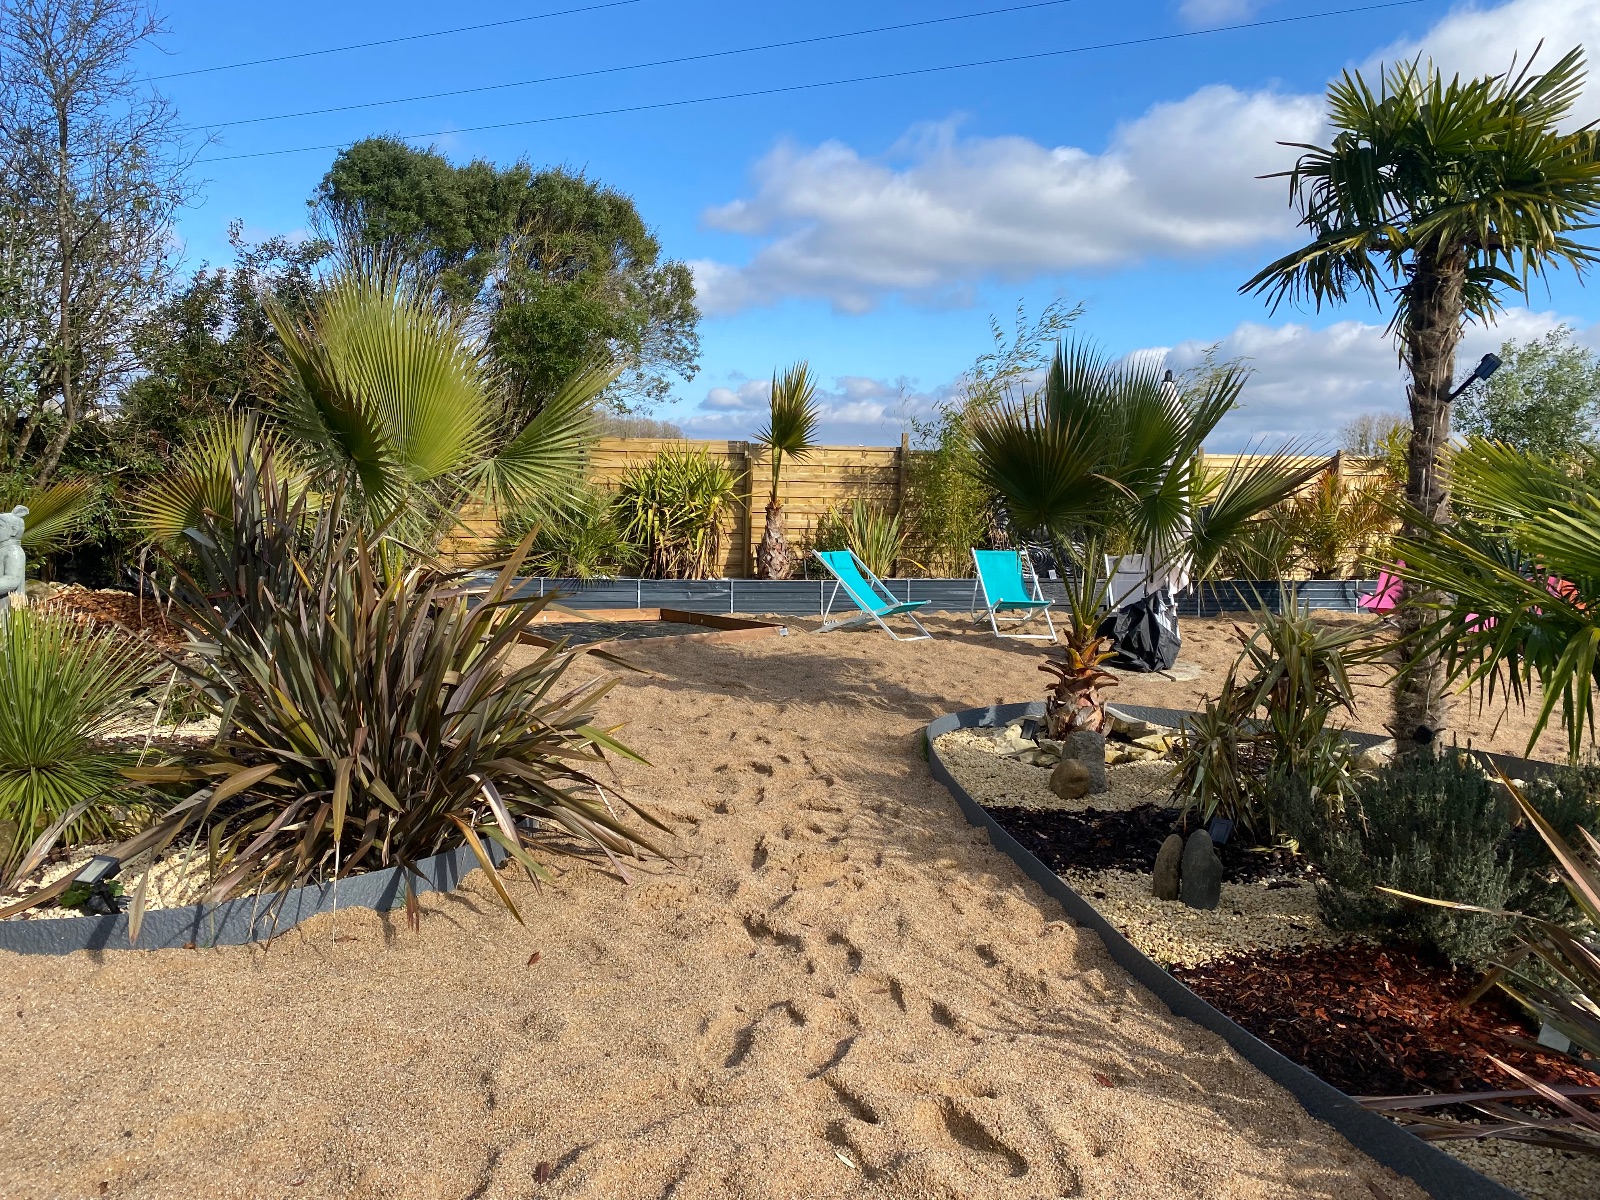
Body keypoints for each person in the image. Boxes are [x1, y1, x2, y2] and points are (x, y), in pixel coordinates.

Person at [0, 505, 28, 613]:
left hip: (9, 605)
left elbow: (12, 579)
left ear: (14, 530)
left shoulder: (13, 551)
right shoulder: (3, 550)